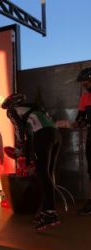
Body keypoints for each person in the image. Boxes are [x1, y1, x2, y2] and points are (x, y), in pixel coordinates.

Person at [1, 93, 61, 231]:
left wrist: (19, 149)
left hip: (43, 135)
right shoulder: (35, 108)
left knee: (42, 173)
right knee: (48, 173)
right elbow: (31, 133)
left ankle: (50, 213)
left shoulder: (12, 111)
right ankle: (46, 210)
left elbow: (20, 130)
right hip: (56, 135)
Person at [75, 68, 91, 215]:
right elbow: (80, 116)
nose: (84, 86)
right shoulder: (85, 97)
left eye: (85, 83)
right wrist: (79, 122)